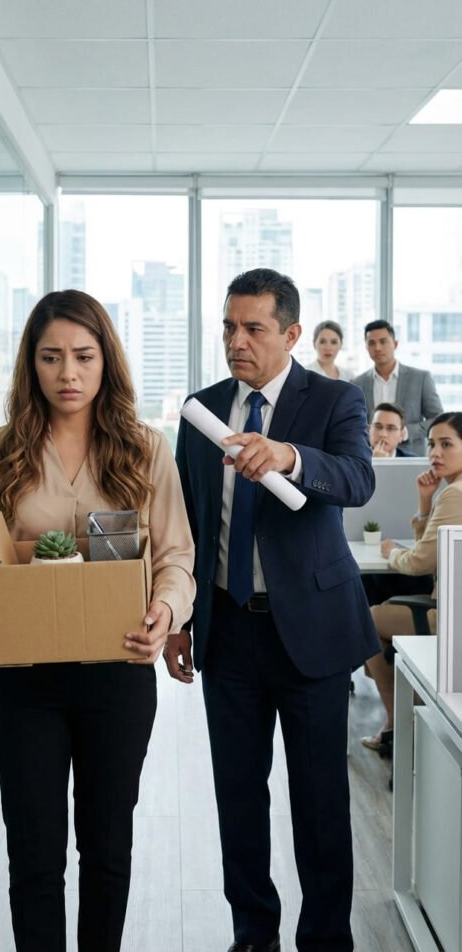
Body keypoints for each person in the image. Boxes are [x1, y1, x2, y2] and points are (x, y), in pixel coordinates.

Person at [0, 290, 196, 952]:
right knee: (34, 856)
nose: (68, 374)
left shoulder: (146, 449)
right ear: (32, 365)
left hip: (119, 670)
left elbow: (176, 557)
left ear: (107, 360)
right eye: (51, 358)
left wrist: (166, 611)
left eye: (83, 356)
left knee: (108, 850)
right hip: (25, 681)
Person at [165, 268, 380, 952]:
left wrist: (287, 456)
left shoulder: (335, 400)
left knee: (320, 804)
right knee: (238, 799)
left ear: (290, 333)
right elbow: (190, 523)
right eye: (229, 327)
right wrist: (180, 619)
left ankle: (324, 940)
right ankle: (253, 933)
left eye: (253, 328)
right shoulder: (200, 410)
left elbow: (356, 478)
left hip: (310, 636)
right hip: (228, 632)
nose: (237, 341)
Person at [362, 411, 462, 751]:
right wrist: (424, 504)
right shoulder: (452, 491)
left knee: (366, 621)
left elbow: (420, 562)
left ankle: (398, 726)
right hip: (448, 608)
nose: (435, 453)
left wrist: (390, 552)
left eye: (446, 444)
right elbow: (433, 550)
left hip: (448, 617)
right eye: (432, 444)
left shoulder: (455, 494)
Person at [353, 319, 443, 455]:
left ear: (395, 344)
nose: (377, 348)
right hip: (369, 459)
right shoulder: (357, 383)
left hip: (412, 458)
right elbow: (354, 424)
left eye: (383, 341)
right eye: (372, 343)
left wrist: (404, 432)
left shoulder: (420, 378)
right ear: (366, 348)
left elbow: (438, 419)